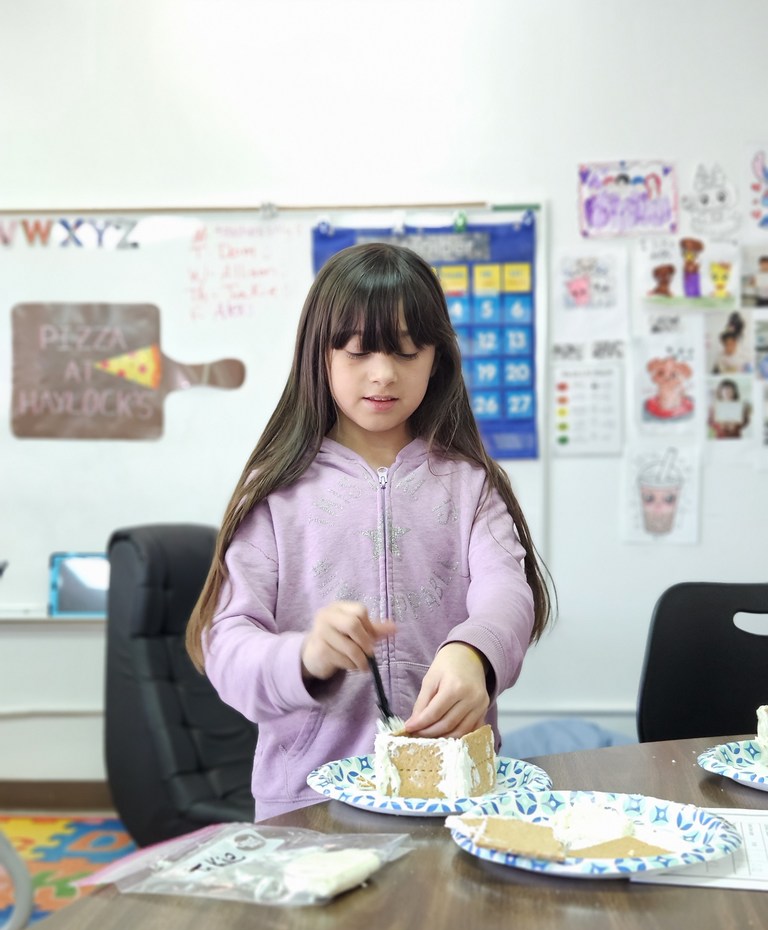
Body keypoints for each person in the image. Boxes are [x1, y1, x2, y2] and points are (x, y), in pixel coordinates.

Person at [186, 243, 553, 820]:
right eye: (357, 352)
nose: (383, 374)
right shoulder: (276, 490)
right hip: (309, 804)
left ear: (438, 359)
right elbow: (226, 644)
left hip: (452, 797)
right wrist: (304, 656)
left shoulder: (469, 483)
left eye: (408, 351)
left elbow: (508, 594)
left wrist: (473, 652)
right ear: (320, 355)